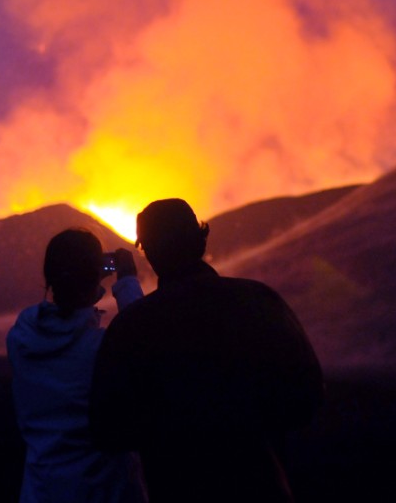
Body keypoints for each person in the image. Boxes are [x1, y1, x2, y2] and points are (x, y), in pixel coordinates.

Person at [89, 199, 324, 503]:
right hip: (262, 487)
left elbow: (107, 430)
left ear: (149, 252)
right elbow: (307, 397)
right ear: (201, 238)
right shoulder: (260, 302)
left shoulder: (132, 327)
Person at [7, 228, 147, 503]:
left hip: (41, 491)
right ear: (96, 275)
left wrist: (83, 279)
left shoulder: (21, 338)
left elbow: (57, 314)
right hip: (102, 492)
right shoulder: (102, 349)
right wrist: (127, 282)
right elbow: (143, 340)